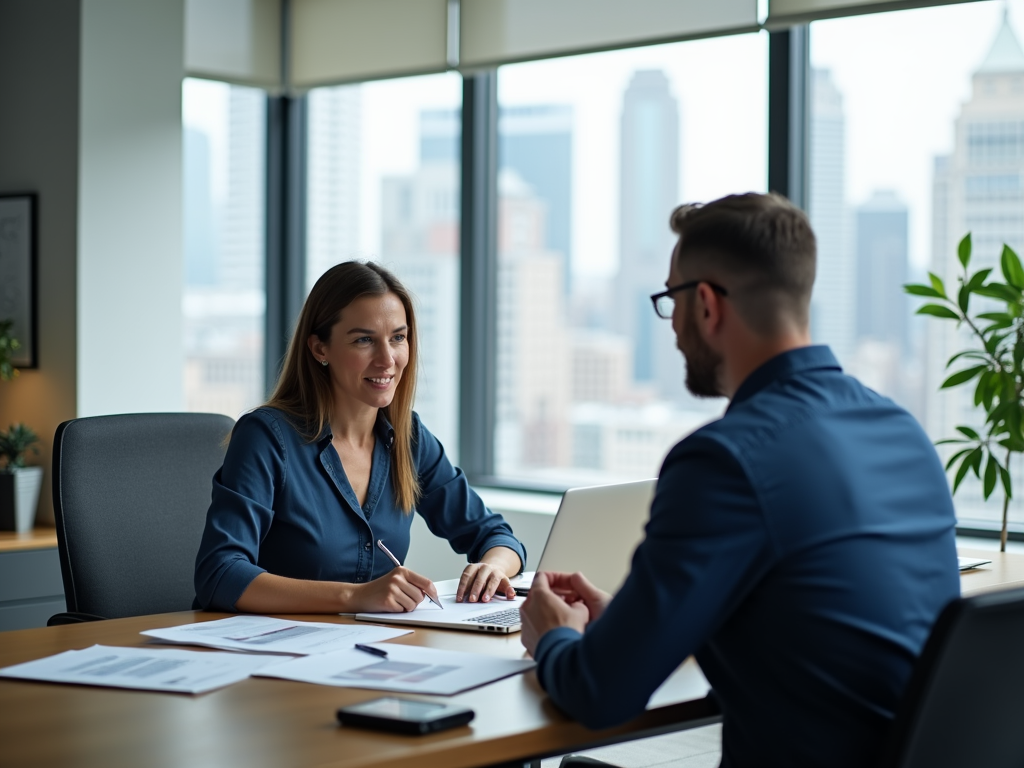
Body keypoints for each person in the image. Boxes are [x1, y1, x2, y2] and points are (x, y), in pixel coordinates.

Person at [519, 193, 960, 767]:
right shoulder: (902, 430)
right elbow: (815, 622)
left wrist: (553, 635)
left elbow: (600, 693)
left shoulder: (724, 461)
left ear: (706, 305)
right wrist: (633, 623)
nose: (672, 325)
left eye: (671, 299)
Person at [194, 261, 525, 614]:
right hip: (265, 655)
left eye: (398, 337)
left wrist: (492, 568)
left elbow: (496, 535)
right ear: (320, 348)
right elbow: (220, 573)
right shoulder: (267, 437)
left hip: (366, 654)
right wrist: (354, 596)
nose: (387, 360)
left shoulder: (408, 440)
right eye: (364, 340)